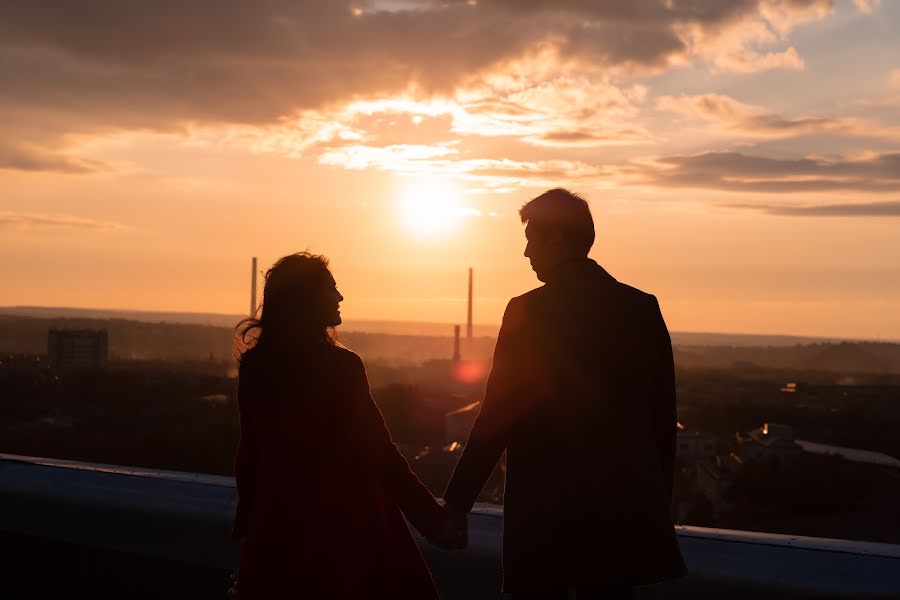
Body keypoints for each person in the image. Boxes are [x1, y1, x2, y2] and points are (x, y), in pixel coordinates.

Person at [442, 189, 688, 599]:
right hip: (621, 512)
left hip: (545, 512)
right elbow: (662, 420)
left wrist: (457, 504)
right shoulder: (641, 308)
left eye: (531, 238)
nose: (525, 252)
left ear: (555, 237)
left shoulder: (530, 310)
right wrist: (654, 507)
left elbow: (499, 414)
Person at [231, 252, 458, 599]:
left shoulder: (256, 367)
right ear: (307, 300)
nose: (340, 297)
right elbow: (380, 454)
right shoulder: (339, 367)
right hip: (342, 533)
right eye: (331, 289)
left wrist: (250, 533)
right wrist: (433, 521)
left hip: (278, 533)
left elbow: (250, 457)